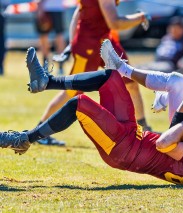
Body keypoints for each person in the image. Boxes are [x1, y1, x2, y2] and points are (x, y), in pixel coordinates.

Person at [0, 47, 183, 186]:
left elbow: (166, 143)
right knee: (110, 77)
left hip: (123, 149)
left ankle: (26, 139)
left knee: (80, 104)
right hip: (134, 135)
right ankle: (47, 82)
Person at [35, 0, 152, 146]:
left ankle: (144, 129)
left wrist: (72, 42)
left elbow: (79, 12)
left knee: (131, 81)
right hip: (88, 45)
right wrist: (141, 17)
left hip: (106, 42)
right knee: (72, 91)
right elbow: (114, 23)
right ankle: (40, 132)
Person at [34, 0, 66, 74]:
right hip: (57, 8)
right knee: (58, 36)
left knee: (46, 37)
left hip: (46, 8)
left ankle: (46, 66)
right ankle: (60, 66)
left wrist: (40, 4)